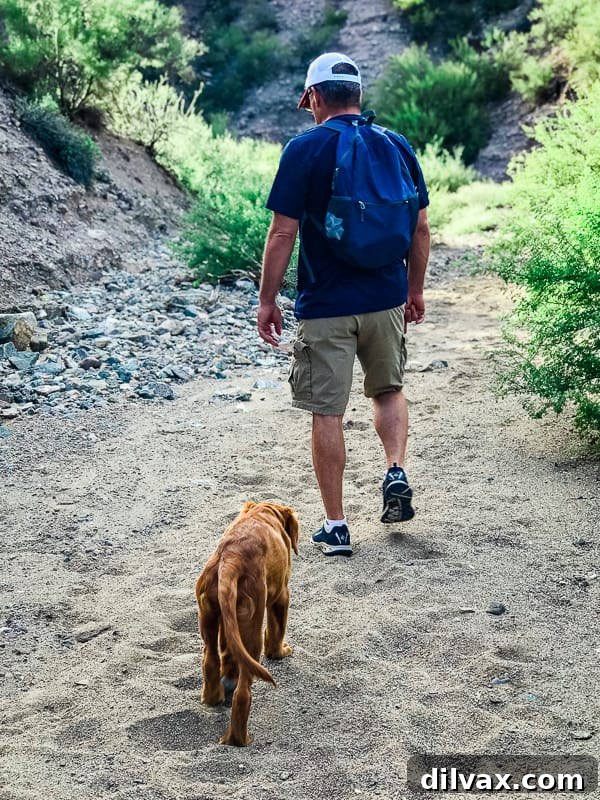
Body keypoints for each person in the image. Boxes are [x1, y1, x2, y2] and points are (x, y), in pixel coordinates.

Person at [257, 52, 430, 557]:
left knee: (326, 411)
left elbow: (283, 231)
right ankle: (395, 469)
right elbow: (419, 227)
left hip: (325, 304)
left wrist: (268, 299)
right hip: (385, 298)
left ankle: (336, 526)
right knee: (388, 388)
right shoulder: (396, 144)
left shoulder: (304, 148)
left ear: (313, 96)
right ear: (358, 94)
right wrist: (414, 290)